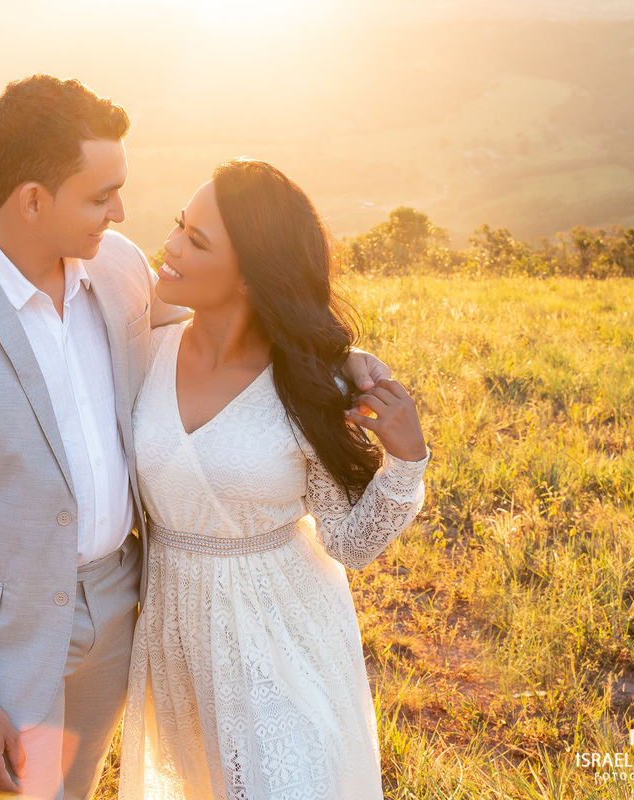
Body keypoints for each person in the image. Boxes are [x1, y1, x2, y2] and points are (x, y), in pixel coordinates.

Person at [0, 76, 391, 800]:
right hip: (13, 644)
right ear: (32, 201)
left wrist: (337, 364)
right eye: (100, 195)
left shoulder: (115, 270)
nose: (120, 213)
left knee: (77, 790)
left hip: (125, 611)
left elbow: (219, 339)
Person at [118, 158, 430, 800]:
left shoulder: (310, 386)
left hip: (283, 634)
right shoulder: (145, 348)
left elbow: (348, 543)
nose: (170, 246)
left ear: (252, 279)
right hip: (178, 630)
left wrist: (406, 465)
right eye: (181, 225)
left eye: (197, 242)